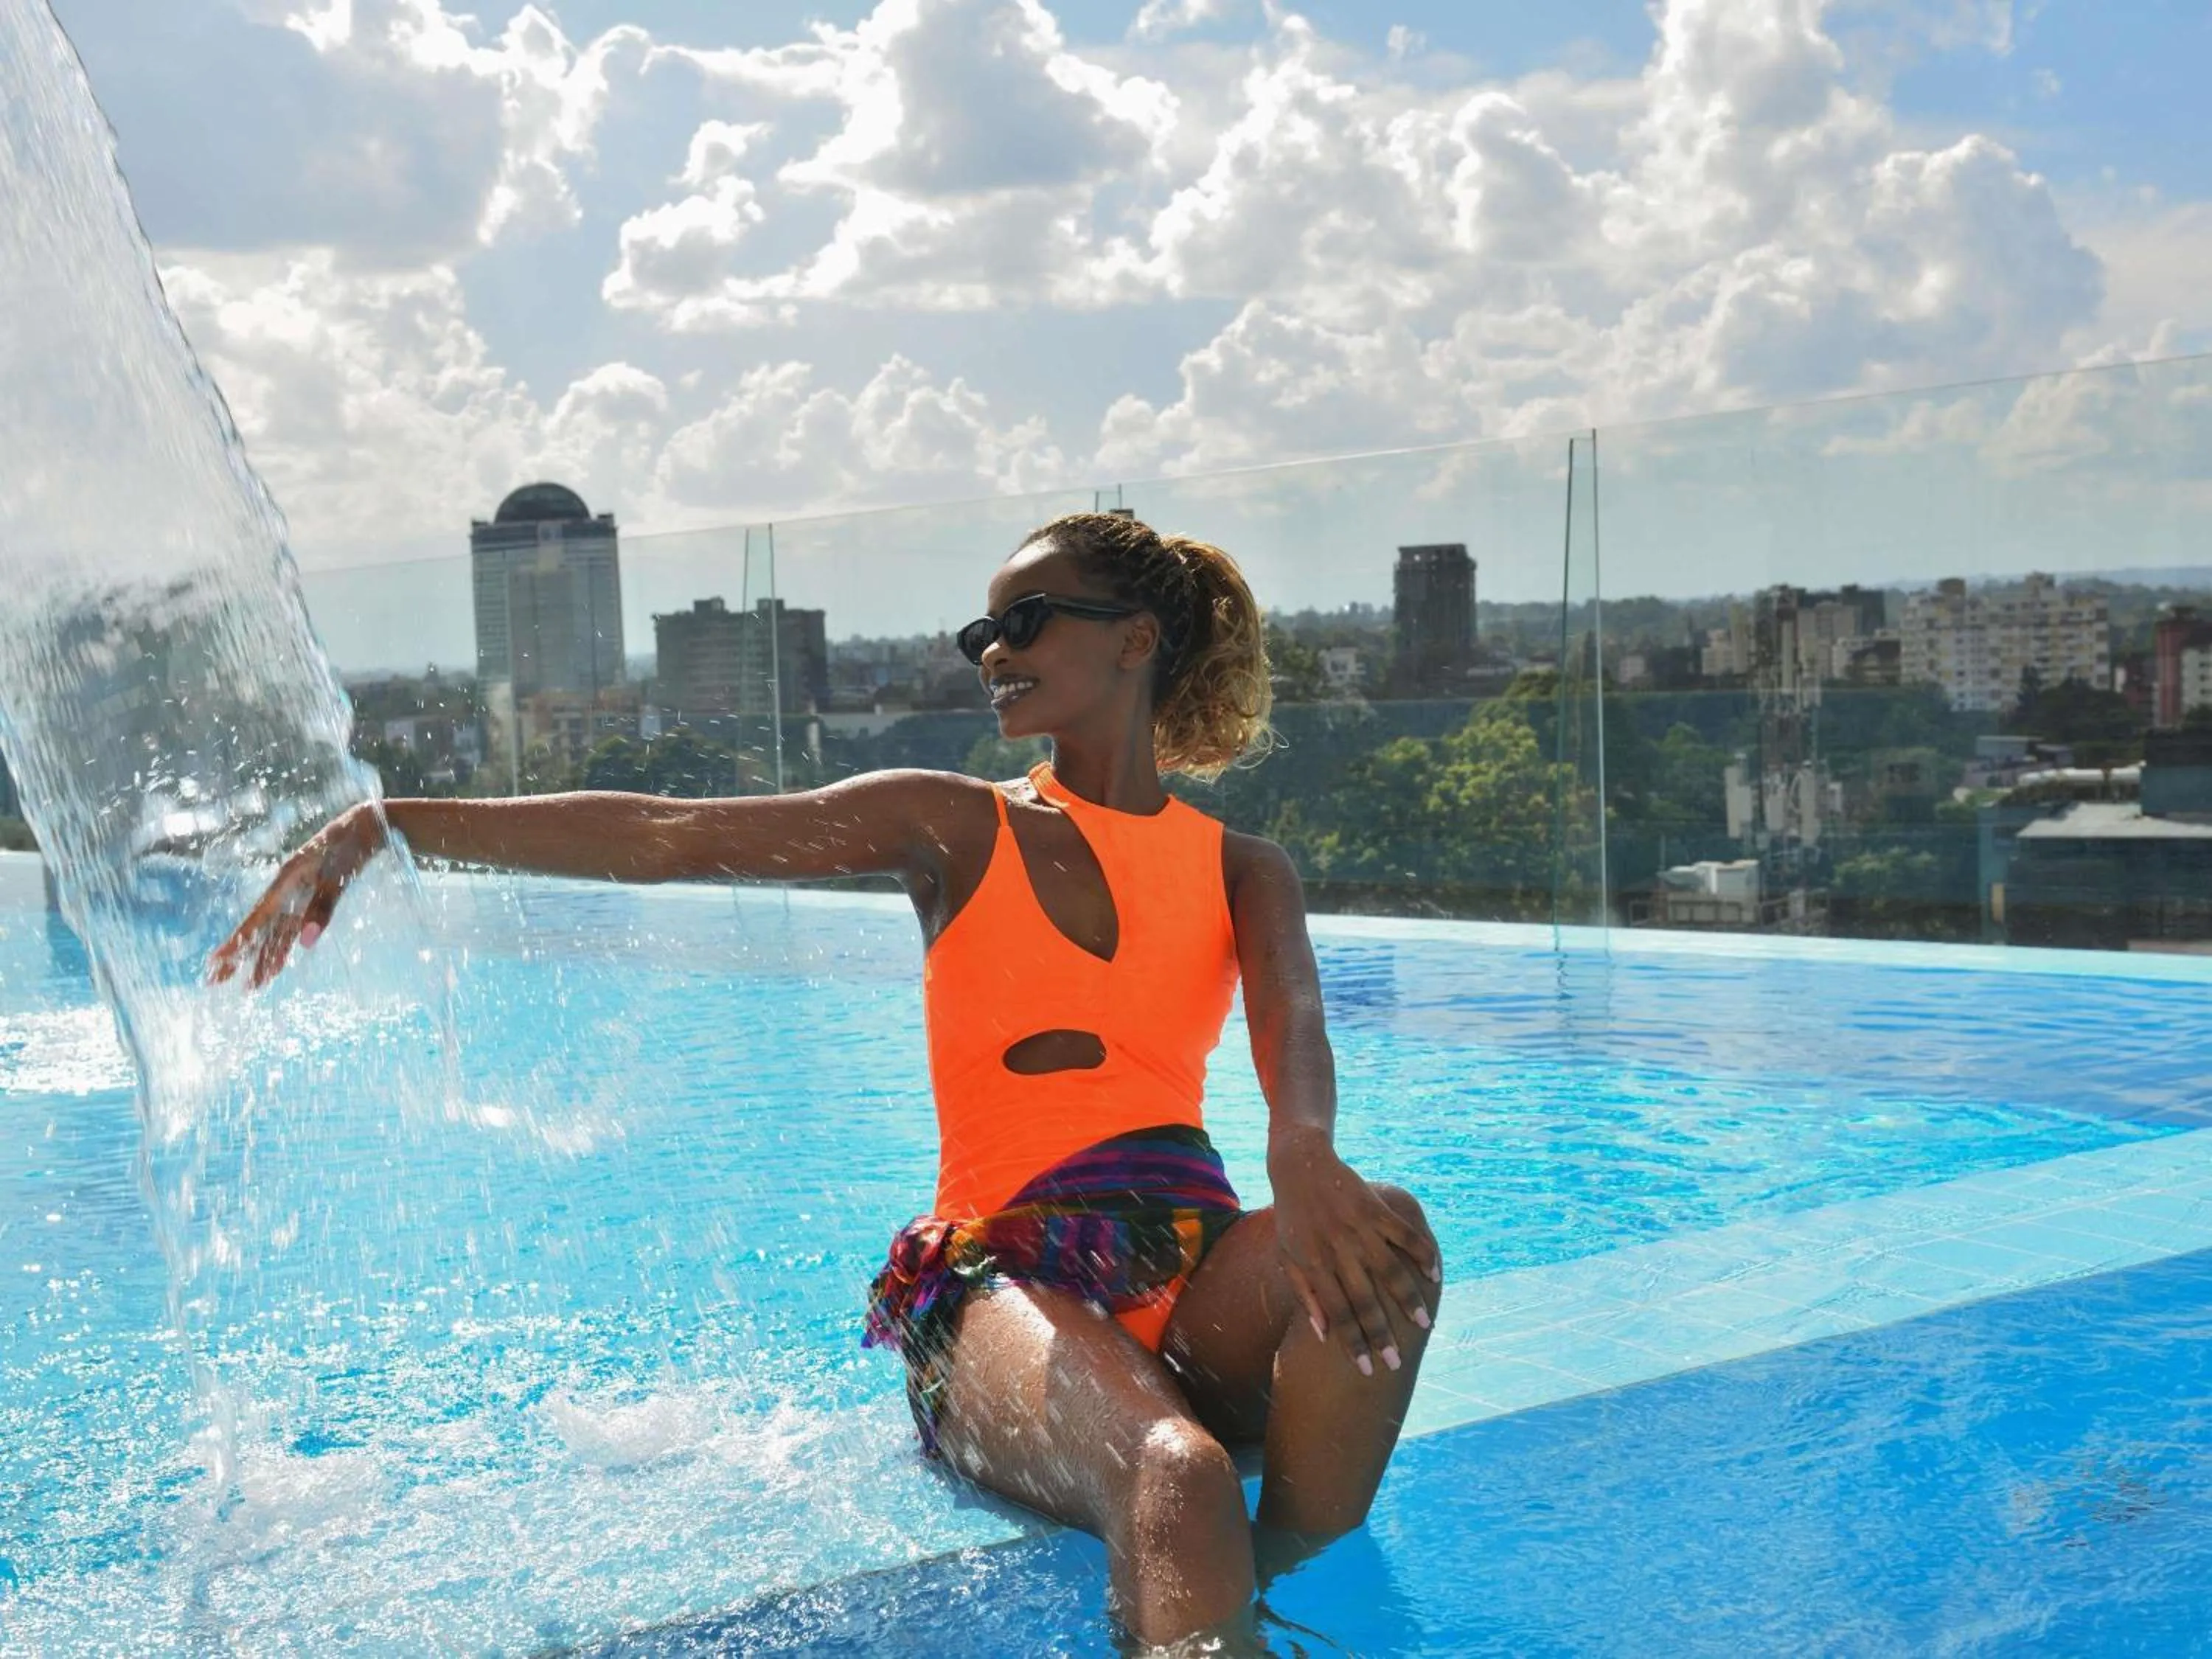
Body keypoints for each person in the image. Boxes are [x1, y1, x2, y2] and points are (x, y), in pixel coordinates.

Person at [211, 512, 1442, 1649]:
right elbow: (672, 834)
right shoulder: (953, 823)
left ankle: (1280, 1573)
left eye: (1026, 621)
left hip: (1189, 1268)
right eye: (981, 632)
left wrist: (1304, 1149)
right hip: (1001, 1284)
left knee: (1390, 1235)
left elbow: (1298, 1029)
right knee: (1173, 1473)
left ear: (1137, 639)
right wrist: (392, 824)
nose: (991, 652)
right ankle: (1198, 1541)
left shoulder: (1242, 866)